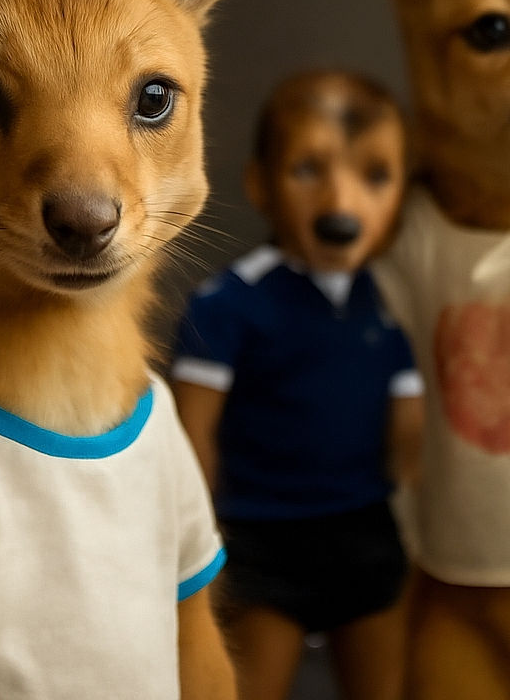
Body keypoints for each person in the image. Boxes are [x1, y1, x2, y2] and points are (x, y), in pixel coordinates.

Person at [172, 70, 424, 700]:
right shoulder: (230, 305)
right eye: (309, 170)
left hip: (365, 532)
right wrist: (193, 544)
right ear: (262, 184)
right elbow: (191, 431)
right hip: (261, 542)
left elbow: (410, 430)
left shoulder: (389, 305)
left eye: (374, 176)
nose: (342, 205)